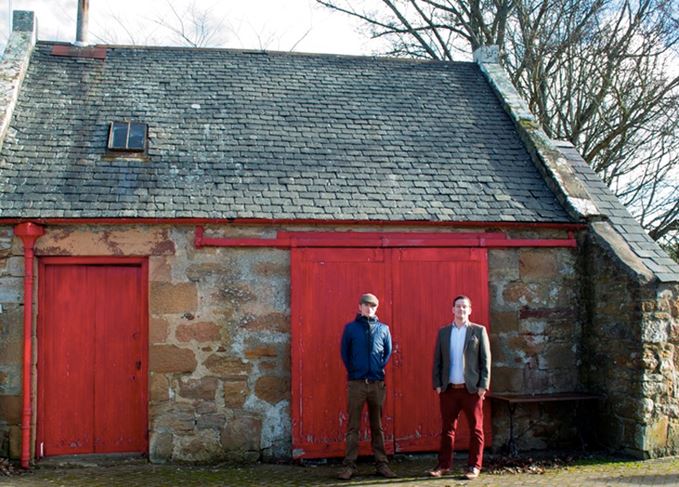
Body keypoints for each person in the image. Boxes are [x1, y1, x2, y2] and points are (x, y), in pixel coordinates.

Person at [430, 295, 491, 480]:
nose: (461, 310)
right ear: (452, 309)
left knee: (476, 430)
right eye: (458, 306)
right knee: (448, 429)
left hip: (471, 390)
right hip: (449, 390)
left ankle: (474, 466)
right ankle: (444, 465)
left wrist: (483, 386)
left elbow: (486, 360)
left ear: (470, 310)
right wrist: (438, 385)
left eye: (465, 307)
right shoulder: (444, 332)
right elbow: (437, 360)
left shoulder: (478, 331)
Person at [337, 293, 397, 480]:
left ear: (376, 308)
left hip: (377, 384)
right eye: (366, 305)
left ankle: (381, 464)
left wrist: (377, 368)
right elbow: (344, 353)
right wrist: (355, 370)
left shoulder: (383, 329)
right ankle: (349, 466)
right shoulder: (351, 328)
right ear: (360, 307)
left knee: (377, 426)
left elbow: (386, 353)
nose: (369, 309)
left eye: (373, 306)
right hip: (356, 384)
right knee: (353, 426)